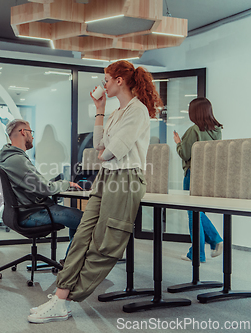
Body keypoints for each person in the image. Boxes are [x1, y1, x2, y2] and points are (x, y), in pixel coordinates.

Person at [27, 60, 163, 324]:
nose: (104, 85)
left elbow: (112, 151)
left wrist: (105, 152)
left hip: (126, 179)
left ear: (119, 81)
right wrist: (100, 111)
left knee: (105, 244)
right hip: (107, 177)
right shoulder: (115, 113)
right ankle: (61, 295)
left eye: (107, 80)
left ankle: (65, 298)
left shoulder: (138, 111)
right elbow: (100, 146)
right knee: (82, 236)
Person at [0, 119, 83, 257]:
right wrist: (66, 183)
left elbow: (36, 187)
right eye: (31, 132)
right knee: (83, 220)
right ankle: (70, 264)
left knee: (78, 217)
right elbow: (46, 189)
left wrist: (50, 184)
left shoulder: (9, 158)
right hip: (31, 214)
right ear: (23, 132)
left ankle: (72, 262)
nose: (32, 136)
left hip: (25, 210)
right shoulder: (17, 160)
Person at [173, 97, 223, 262]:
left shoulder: (193, 130)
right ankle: (213, 242)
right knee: (198, 211)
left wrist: (178, 142)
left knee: (193, 213)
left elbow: (185, 154)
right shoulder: (217, 131)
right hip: (208, 177)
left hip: (193, 175)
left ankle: (199, 252)